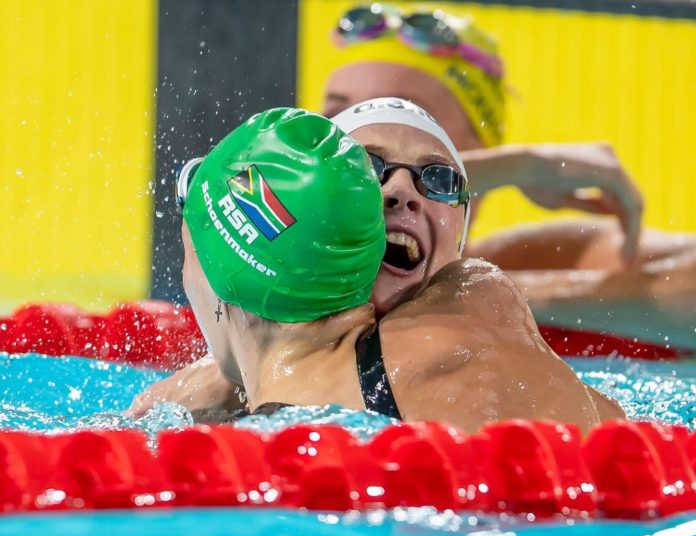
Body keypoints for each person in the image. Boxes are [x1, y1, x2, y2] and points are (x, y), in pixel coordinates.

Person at [129, 101, 623, 433]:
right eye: (366, 168)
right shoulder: (201, 392)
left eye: (439, 179)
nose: (402, 191)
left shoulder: (474, 308)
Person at [321, 4, 696, 348]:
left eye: (412, 118)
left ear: (478, 143)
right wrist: (518, 166)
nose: (363, 145)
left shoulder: (525, 267)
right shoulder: (278, 270)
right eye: (341, 117)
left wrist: (483, 296)